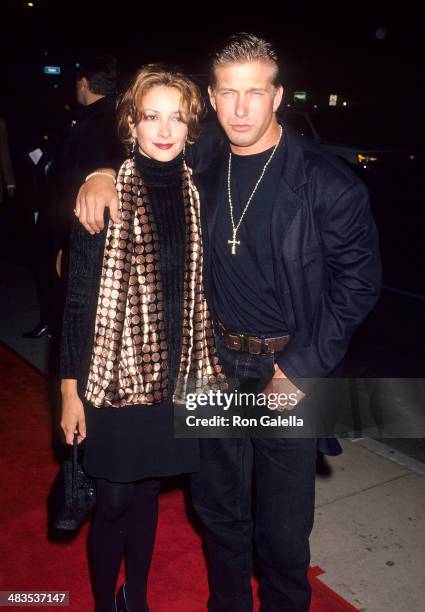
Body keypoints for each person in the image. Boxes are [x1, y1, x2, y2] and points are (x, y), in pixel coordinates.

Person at [74, 33, 381, 612]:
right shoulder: (204, 160)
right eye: (229, 94)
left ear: (278, 96)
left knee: (283, 531)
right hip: (211, 364)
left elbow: (358, 285)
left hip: (287, 369)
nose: (242, 108)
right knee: (219, 511)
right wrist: (97, 174)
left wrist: (300, 369)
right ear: (212, 100)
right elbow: (140, 146)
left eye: (256, 93)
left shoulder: (328, 182)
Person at [60, 64, 225, 612]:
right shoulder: (105, 197)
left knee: (150, 493)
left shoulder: (198, 194)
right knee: (112, 500)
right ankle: (105, 603)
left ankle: (139, 597)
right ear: (131, 121)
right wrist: (68, 393)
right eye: (151, 115)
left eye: (176, 117)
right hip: (113, 380)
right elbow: (79, 302)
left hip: (176, 380)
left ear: (191, 126)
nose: (164, 128)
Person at [24, 54, 124, 339]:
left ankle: (58, 327)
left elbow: (71, 178)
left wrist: (60, 233)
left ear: (84, 82)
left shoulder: (87, 121)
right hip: (98, 216)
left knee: (64, 280)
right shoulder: (119, 115)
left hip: (79, 218)